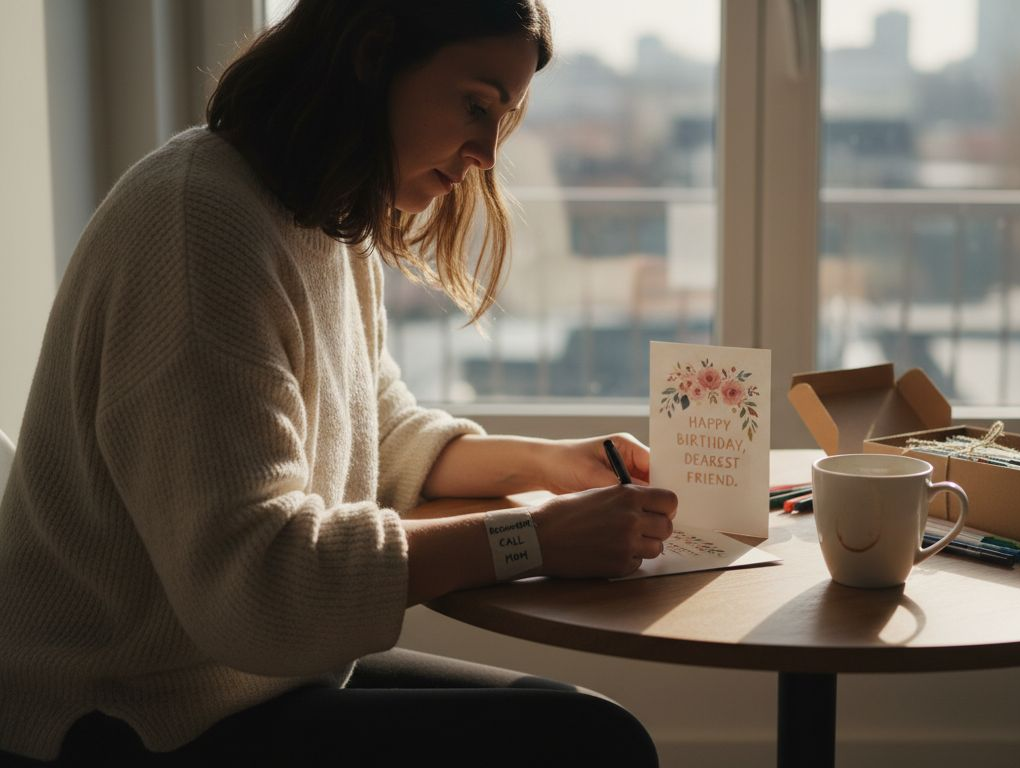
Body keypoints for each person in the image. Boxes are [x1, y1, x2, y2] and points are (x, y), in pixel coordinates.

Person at [0, 1, 675, 764]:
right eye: (475, 106)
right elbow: (259, 584)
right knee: (592, 744)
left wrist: (552, 465)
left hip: (239, 683)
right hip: (121, 716)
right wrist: (533, 539)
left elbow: (376, 430)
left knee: (586, 728)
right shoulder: (199, 226)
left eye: (503, 118)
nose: (487, 153)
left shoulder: (325, 214)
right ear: (371, 56)